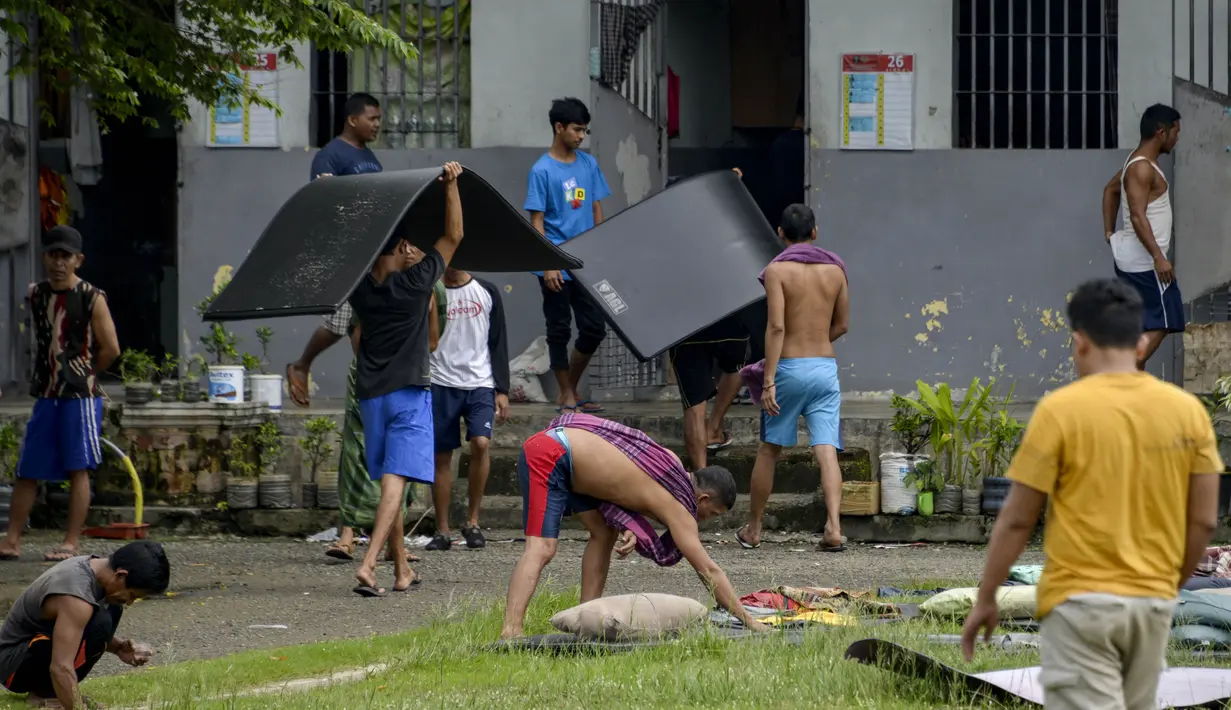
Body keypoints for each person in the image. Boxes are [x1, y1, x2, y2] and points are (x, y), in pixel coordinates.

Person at [961, 278, 1223, 710]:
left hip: (1079, 607)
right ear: (1141, 344)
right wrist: (1169, 583)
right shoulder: (1186, 411)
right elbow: (1204, 520)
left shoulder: (1061, 410)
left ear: (1079, 342)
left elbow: (1017, 518)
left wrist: (987, 596)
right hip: (1153, 606)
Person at [282, 92, 444, 564]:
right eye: (372, 118)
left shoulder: (369, 158)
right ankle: (303, 363)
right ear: (352, 118)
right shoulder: (330, 157)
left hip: (379, 267)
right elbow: (325, 207)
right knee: (344, 323)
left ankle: (376, 545)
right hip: (355, 264)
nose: (378, 124)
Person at [500, 412, 768, 639]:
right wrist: (748, 621)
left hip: (568, 456)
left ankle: (586, 624)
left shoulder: (671, 465)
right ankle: (511, 630)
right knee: (542, 548)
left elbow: (624, 483)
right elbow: (709, 570)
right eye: (711, 514)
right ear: (703, 498)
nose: (704, 521)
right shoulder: (682, 508)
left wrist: (628, 525)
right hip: (551, 454)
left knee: (604, 532)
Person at [347, 161, 465, 596]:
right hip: (409, 396)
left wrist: (334, 197)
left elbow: (345, 246)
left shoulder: (359, 289)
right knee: (396, 483)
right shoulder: (416, 284)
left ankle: (402, 572)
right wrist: (451, 186)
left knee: (388, 489)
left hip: (371, 397)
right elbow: (453, 236)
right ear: (399, 247)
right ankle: (370, 563)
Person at [0, 226, 120, 563]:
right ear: (44, 257)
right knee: (27, 469)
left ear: (77, 260)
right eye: (53, 254)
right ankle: (11, 540)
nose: (58, 262)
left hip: (79, 396)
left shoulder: (92, 297)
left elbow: (111, 348)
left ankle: (70, 543)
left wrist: (87, 372)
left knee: (78, 467)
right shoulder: (35, 294)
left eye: (65, 256)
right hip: (46, 392)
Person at [737, 205, 848, 553]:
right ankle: (834, 527)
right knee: (826, 449)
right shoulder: (836, 270)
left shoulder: (777, 270)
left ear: (780, 234)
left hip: (788, 369)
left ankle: (754, 529)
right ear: (815, 232)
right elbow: (843, 325)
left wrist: (768, 379)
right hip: (824, 369)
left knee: (769, 449)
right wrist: (816, 344)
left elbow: (777, 327)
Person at [0, 541, 169, 709]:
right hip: (12, 665)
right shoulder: (77, 595)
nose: (130, 602)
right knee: (102, 619)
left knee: (111, 609)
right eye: (132, 594)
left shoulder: (95, 568)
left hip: (34, 647)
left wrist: (118, 647)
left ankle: (55, 691)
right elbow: (61, 667)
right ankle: (45, 694)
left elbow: (74, 629)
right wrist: (77, 706)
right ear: (120, 575)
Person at [525, 97, 612, 415]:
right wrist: (548, 264)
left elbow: (595, 207)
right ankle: (566, 392)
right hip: (555, 266)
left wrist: (600, 249)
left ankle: (569, 389)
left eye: (584, 131)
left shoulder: (588, 164)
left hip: (586, 263)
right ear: (558, 127)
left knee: (594, 328)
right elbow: (536, 222)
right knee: (559, 330)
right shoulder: (541, 170)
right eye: (576, 129)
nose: (580, 136)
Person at [425, 267, 511, 551]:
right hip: (440, 381)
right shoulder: (431, 291)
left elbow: (498, 341)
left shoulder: (486, 291)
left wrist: (502, 389)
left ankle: (473, 521)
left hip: (480, 382)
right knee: (441, 456)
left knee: (481, 443)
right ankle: (442, 529)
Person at [1101, 103, 1184, 370]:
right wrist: (1159, 257)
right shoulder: (1141, 168)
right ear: (1161, 131)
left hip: (1137, 259)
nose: (1177, 138)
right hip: (1146, 263)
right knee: (1166, 317)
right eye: (1175, 132)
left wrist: (1109, 232)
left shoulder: (1137, 164)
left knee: (1143, 324)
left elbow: (1110, 190)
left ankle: (1131, 386)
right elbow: (1137, 216)